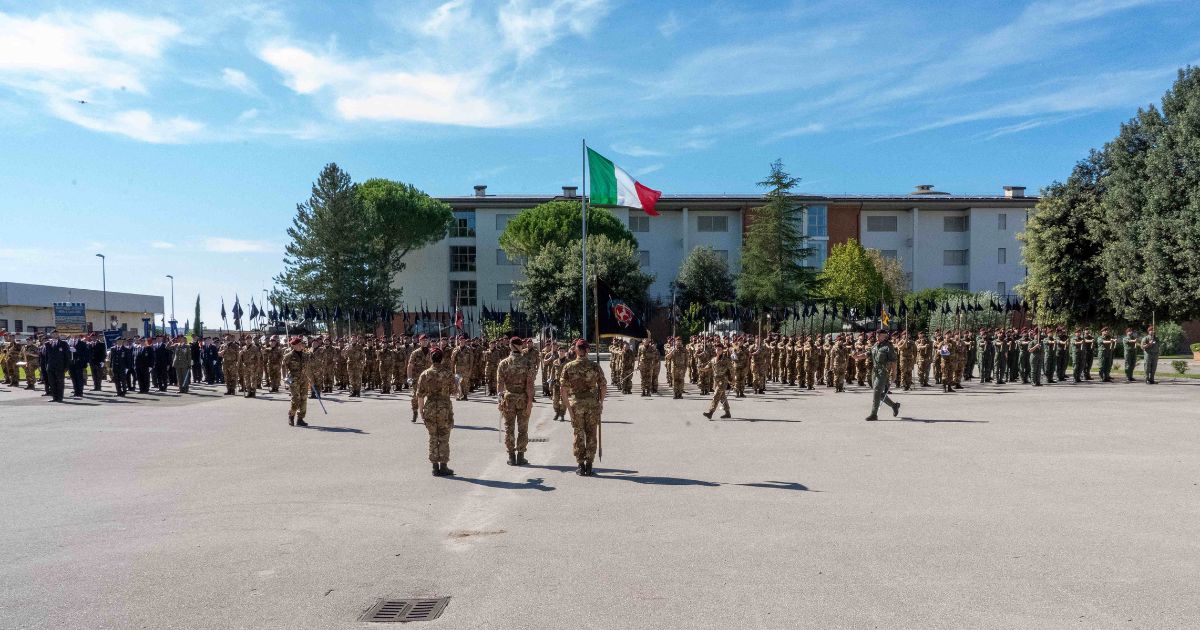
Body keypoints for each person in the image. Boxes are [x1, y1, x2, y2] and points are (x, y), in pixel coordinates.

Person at [560, 339, 606, 476]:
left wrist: (569, 408)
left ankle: (580, 465)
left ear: (576, 350)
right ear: (587, 350)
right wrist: (601, 402)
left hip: (576, 404)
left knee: (578, 434)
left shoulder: (568, 366)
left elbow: (563, 390)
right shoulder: (595, 366)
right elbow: (603, 386)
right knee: (591, 434)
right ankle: (589, 465)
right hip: (592, 404)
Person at [415, 347, 455, 476]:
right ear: (442, 359)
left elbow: (420, 396)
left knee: (433, 436)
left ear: (431, 359)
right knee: (444, 436)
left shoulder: (425, 374)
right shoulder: (448, 374)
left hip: (430, 407)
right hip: (444, 408)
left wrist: (421, 410)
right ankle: (443, 466)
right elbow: (455, 392)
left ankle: (434, 467)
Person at [496, 336, 534, 466]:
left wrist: (500, 401)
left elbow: (500, 385)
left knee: (509, 429)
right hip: (523, 399)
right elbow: (530, 384)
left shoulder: (503, 363)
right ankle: (521, 456)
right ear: (519, 346)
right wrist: (530, 402)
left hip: (508, 400)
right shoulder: (527, 362)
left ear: (510, 346)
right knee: (523, 429)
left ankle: (511, 457)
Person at [856, 330, 901, 421]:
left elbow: (894, 361)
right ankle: (894, 405)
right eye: (877, 334)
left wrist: (894, 374)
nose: (877, 336)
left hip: (883, 372)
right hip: (875, 371)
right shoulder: (875, 345)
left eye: (879, 335)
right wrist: (857, 357)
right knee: (879, 394)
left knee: (876, 391)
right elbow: (868, 354)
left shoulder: (888, 347)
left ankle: (874, 414)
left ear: (884, 336)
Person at [283, 336, 310, 427]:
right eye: (297, 344)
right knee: (296, 399)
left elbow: (308, 367)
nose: (299, 346)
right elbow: (283, 367)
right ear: (293, 346)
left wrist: (310, 378)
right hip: (294, 380)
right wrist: (285, 378)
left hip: (304, 380)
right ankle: (291, 416)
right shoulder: (288, 356)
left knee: (304, 398)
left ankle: (300, 419)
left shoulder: (306, 355)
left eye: (300, 344)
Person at [702, 344, 733, 419]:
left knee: (716, 395)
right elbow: (707, 367)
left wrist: (733, 379)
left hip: (723, 380)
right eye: (717, 349)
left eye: (720, 349)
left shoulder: (726, 360)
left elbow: (732, 369)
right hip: (716, 381)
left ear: (722, 350)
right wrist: (702, 368)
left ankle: (710, 413)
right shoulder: (713, 359)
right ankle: (727, 413)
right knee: (722, 397)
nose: (718, 350)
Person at [43, 331, 70, 402]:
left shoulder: (63, 344)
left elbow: (67, 356)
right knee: (52, 382)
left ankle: (60, 398)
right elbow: (46, 357)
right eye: (53, 334)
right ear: (51, 335)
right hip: (50, 366)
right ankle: (54, 397)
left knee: (60, 382)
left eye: (56, 334)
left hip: (60, 366)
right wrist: (46, 366)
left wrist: (66, 367)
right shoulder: (47, 344)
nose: (55, 335)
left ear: (58, 335)